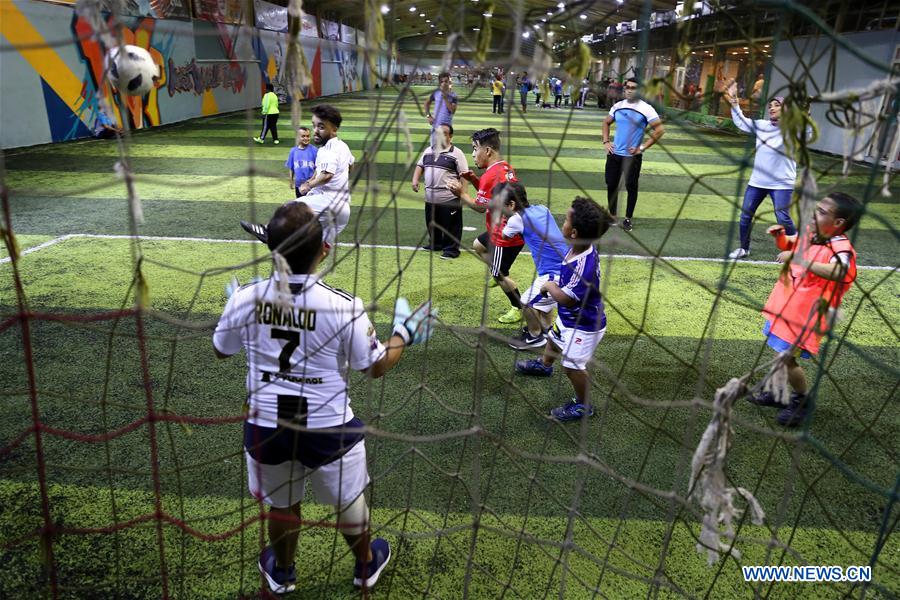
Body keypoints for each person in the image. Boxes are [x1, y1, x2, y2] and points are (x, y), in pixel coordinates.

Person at [214, 202, 435, 594]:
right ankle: (365, 565)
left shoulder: (245, 297)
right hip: (329, 427)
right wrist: (404, 335)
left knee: (282, 505)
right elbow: (374, 367)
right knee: (349, 502)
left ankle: (283, 572)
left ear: (271, 250)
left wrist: (240, 312)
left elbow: (221, 351)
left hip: (267, 425)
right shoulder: (343, 305)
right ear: (325, 250)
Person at [746, 192, 863, 427]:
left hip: (805, 316)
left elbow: (841, 271)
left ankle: (801, 400)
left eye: (821, 212)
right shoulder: (812, 233)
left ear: (838, 223)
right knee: (780, 353)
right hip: (786, 308)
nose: (813, 213)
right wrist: (781, 238)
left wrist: (800, 260)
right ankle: (777, 392)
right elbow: (791, 244)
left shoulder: (840, 246)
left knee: (787, 358)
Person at [514, 197, 614, 422]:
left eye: (566, 220)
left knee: (572, 367)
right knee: (554, 338)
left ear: (575, 233)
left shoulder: (583, 266)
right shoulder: (579, 248)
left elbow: (567, 300)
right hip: (570, 319)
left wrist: (549, 286)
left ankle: (583, 405)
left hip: (585, 325)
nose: (562, 223)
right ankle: (544, 365)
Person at [241, 104, 354, 247]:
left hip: (329, 202)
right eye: (314, 126)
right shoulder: (342, 146)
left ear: (334, 129)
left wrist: (308, 185)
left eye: (321, 127)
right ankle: (303, 267)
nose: (315, 131)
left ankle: (267, 231)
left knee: (289, 207)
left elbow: (327, 175)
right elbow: (351, 165)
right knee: (321, 249)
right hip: (343, 209)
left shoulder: (328, 150)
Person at [446, 128, 526, 324]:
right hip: (509, 229)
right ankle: (496, 271)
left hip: (505, 237)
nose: (473, 154)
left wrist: (460, 194)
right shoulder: (503, 168)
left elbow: (480, 207)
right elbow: (491, 193)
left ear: (487, 151)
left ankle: (518, 307)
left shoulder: (491, 175)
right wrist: (475, 180)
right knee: (478, 245)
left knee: (501, 276)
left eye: (475, 149)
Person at [725, 80, 799, 259]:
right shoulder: (763, 126)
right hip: (758, 181)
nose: (772, 108)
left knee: (783, 218)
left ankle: (795, 251)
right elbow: (742, 123)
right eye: (770, 106)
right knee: (745, 216)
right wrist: (734, 100)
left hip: (782, 183)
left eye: (777, 105)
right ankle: (744, 248)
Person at [494, 182, 569, 349]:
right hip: (565, 267)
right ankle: (547, 331)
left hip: (553, 272)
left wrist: (503, 221)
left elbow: (506, 236)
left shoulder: (516, 219)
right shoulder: (542, 208)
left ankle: (534, 337)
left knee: (526, 302)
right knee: (543, 302)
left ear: (512, 204)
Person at [602, 77, 665, 232]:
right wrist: (606, 141)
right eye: (627, 87)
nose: (630, 90)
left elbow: (660, 130)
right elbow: (606, 123)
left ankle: (628, 219)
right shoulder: (617, 106)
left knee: (631, 187)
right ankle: (613, 216)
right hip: (614, 154)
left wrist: (641, 148)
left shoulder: (646, 108)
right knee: (611, 185)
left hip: (632, 158)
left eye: (633, 88)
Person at [411, 124, 478, 259]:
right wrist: (415, 180)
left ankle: (451, 250)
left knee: (451, 226)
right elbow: (420, 165)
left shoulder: (456, 153)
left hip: (449, 198)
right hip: (430, 198)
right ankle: (435, 244)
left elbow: (464, 174)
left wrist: (463, 194)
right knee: (432, 223)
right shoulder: (428, 150)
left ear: (450, 136)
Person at [285, 126, 318, 198]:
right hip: (299, 185)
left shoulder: (315, 150)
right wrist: (291, 180)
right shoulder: (293, 151)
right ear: (298, 137)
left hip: (311, 185)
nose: (306, 138)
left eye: (308, 136)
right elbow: (291, 168)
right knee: (301, 204)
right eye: (303, 136)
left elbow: (318, 168)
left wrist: (311, 180)